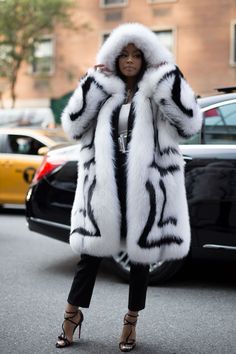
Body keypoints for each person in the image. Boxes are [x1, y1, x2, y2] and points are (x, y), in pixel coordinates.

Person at [56, 22, 202, 351]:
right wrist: (91, 82)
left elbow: (189, 123)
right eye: (124, 55)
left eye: (137, 55)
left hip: (145, 185)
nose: (131, 61)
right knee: (89, 255)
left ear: (147, 57)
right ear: (115, 58)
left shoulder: (158, 91)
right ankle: (71, 315)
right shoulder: (104, 90)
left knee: (140, 258)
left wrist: (170, 79)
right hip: (106, 183)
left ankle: (131, 323)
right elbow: (73, 126)